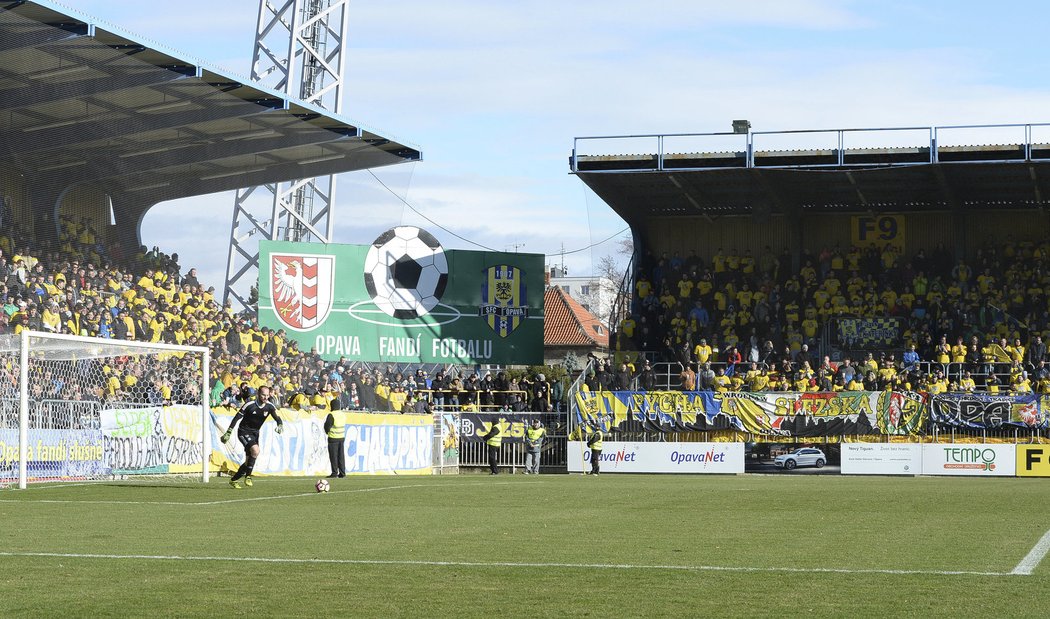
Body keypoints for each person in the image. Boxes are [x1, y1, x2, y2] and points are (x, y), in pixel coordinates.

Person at [221, 384, 283, 489]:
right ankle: (248, 477)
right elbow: (236, 418)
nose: (266, 397)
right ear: (258, 394)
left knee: (248, 461)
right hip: (243, 432)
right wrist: (229, 432)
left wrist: (280, 424)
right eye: (263, 395)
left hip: (255, 433)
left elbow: (277, 418)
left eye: (267, 395)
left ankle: (234, 480)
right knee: (256, 450)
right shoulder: (249, 405)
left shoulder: (269, 406)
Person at [323, 399, 347, 478]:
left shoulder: (331, 414)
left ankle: (334, 472)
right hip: (341, 437)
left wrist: (327, 432)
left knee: (333, 456)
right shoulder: (342, 414)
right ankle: (342, 473)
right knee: (341, 456)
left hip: (333, 438)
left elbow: (327, 426)